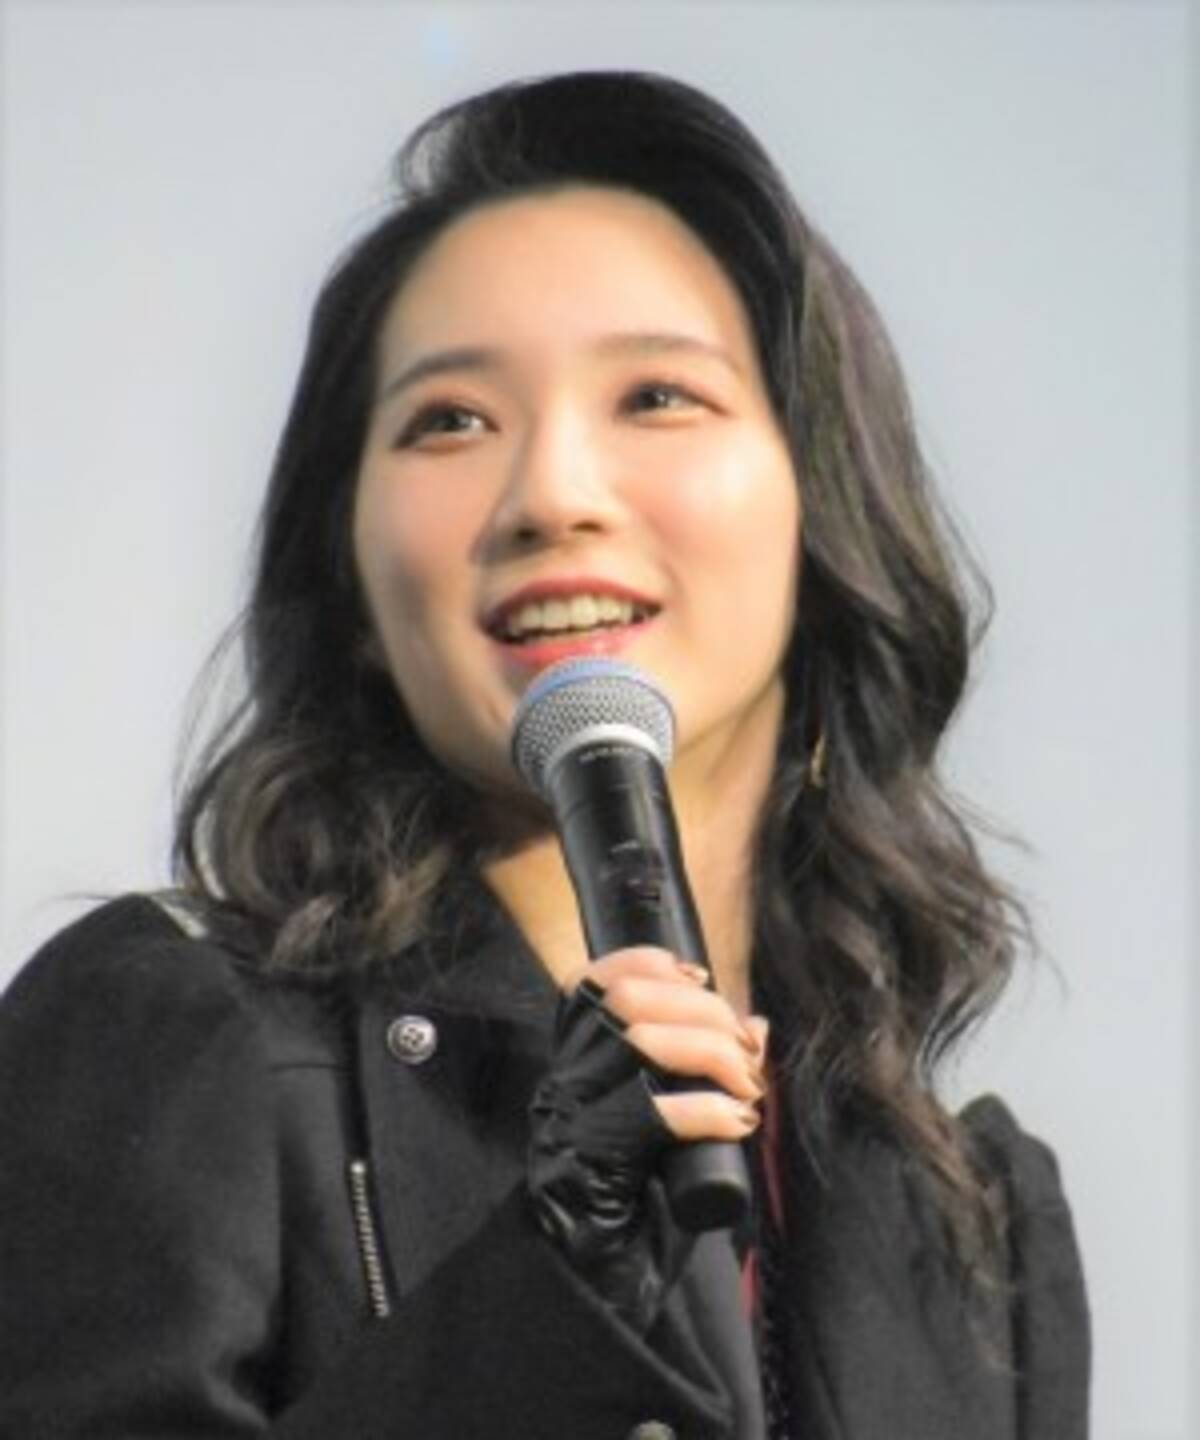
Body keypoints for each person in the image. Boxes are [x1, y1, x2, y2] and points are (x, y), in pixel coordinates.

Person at [0, 70, 1089, 1438]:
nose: (552, 495)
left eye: (658, 396)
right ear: (353, 591)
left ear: (824, 521)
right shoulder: (173, 1032)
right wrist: (552, 1278)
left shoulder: (978, 1233)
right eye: (450, 420)